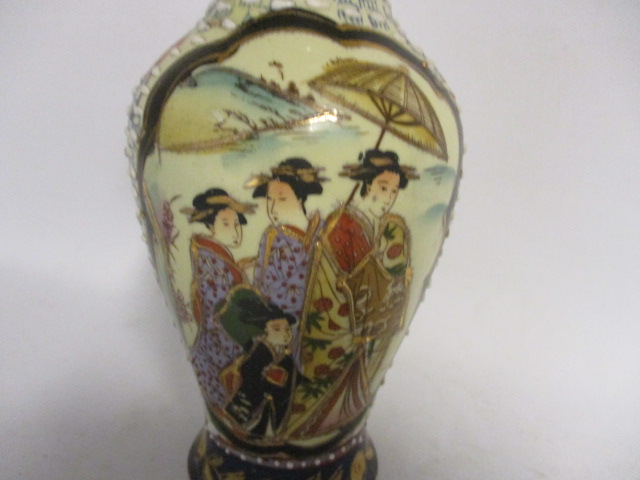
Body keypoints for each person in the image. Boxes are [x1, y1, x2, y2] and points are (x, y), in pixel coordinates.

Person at [290, 149, 418, 438]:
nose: (388, 197)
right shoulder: (344, 227)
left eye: (393, 191)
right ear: (366, 185)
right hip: (337, 325)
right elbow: (338, 284)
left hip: (362, 326)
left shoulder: (381, 226)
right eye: (382, 188)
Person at [181, 188, 256, 410]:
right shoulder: (211, 260)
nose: (235, 231)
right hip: (223, 343)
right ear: (211, 226)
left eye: (236, 224)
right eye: (226, 224)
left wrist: (238, 271)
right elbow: (219, 307)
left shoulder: (215, 257)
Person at [246, 157, 326, 320]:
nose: (273, 209)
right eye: (269, 199)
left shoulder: (322, 229)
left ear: (300, 199)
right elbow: (264, 285)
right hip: (282, 318)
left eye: (282, 199)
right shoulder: (272, 237)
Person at [220, 287, 298, 439]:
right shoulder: (261, 350)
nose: (285, 334)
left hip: (268, 399)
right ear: (266, 331)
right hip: (249, 399)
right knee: (247, 424)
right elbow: (247, 370)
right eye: (277, 329)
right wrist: (267, 376)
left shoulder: (283, 354)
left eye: (288, 330)